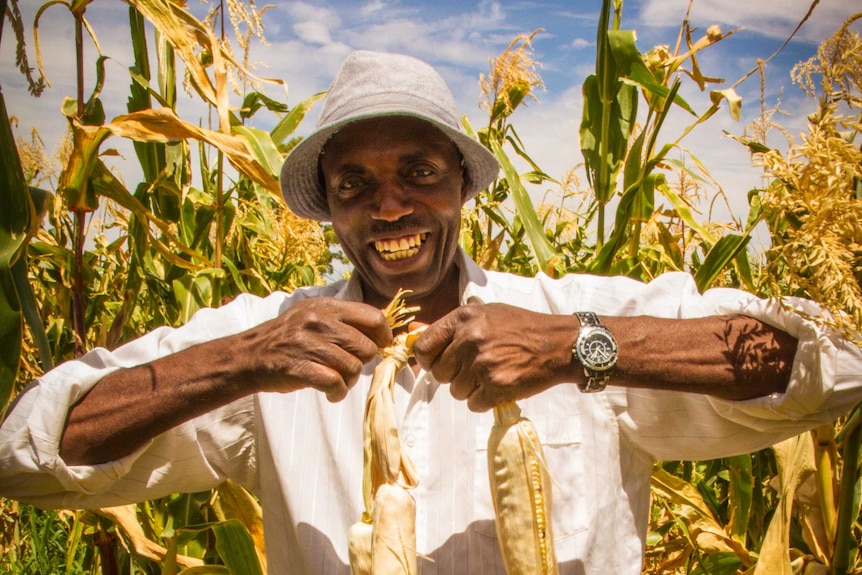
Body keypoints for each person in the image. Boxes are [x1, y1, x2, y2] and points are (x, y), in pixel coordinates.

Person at [1, 50, 860, 575]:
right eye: (355, 186)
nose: (390, 208)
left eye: (418, 173)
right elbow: (26, 456)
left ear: (461, 183)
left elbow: (824, 370)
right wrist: (239, 359)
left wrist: (577, 348)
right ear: (329, 207)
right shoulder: (273, 349)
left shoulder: (566, 316)